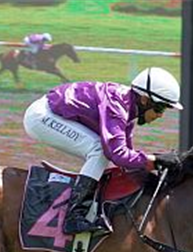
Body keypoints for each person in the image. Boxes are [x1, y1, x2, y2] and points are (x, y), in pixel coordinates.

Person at [23, 67, 183, 234]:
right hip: (42, 117)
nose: (160, 115)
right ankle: (75, 216)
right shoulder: (117, 107)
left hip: (51, 113)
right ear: (144, 100)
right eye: (160, 108)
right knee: (99, 150)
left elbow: (127, 157)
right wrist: (155, 159)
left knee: (101, 150)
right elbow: (117, 154)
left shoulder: (127, 110)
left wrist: (153, 167)